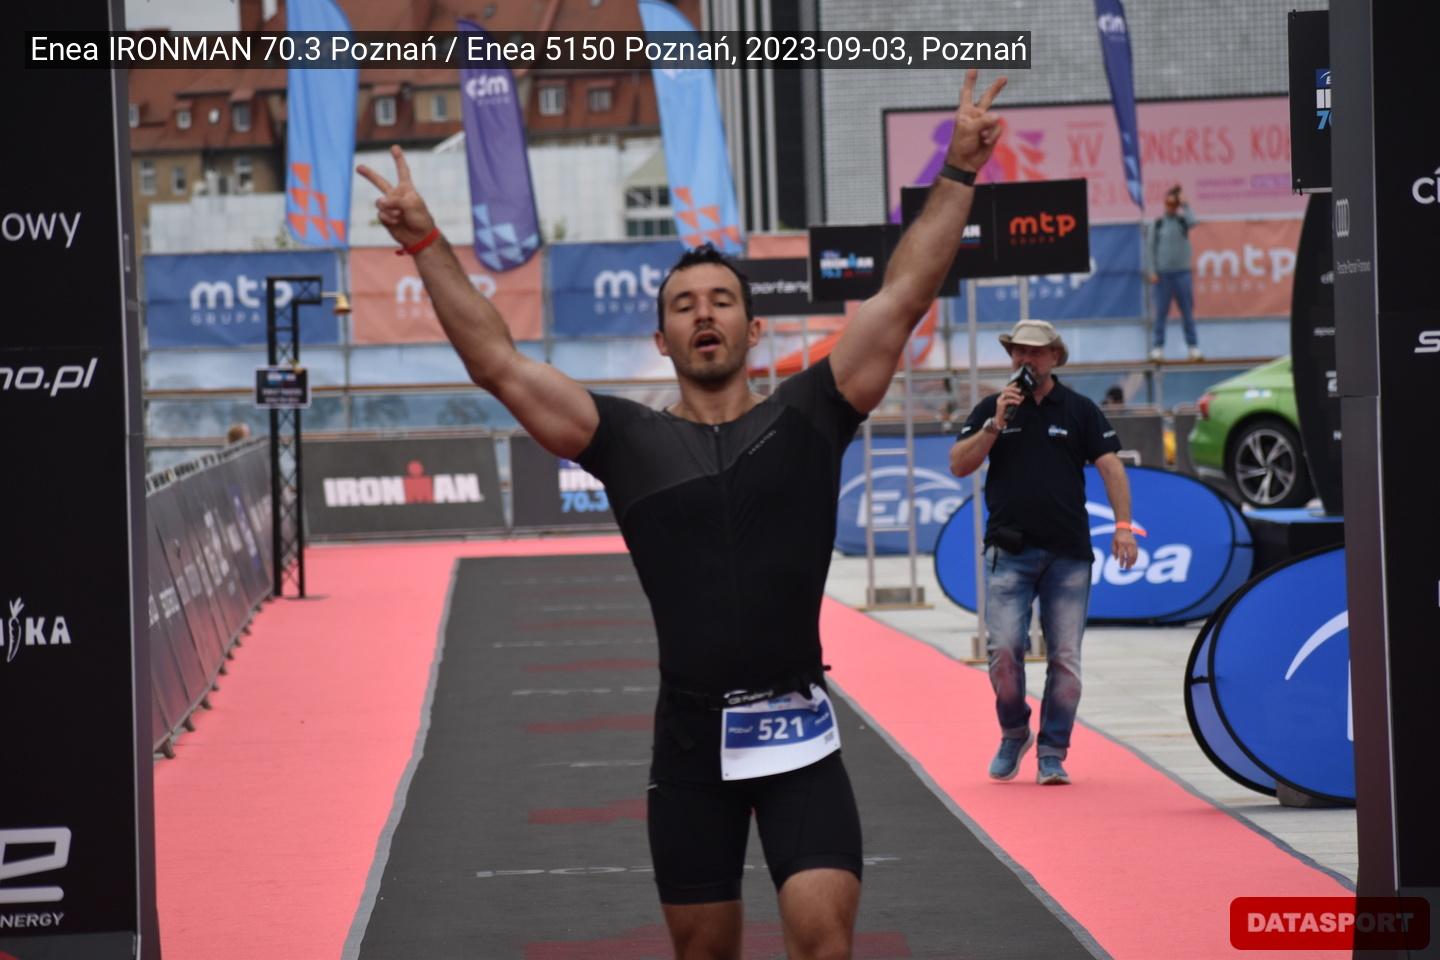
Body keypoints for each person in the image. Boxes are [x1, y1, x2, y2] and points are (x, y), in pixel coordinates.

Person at [360, 70, 1006, 960]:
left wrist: (960, 170)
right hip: (689, 744)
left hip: (797, 733)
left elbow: (903, 296)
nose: (705, 314)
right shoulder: (625, 440)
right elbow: (499, 364)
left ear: (754, 329)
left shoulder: (811, 414)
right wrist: (426, 240)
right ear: (661, 340)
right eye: (684, 305)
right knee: (704, 954)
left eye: (722, 301)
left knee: (823, 942)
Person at [948, 319, 1138, 786]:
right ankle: (1014, 731)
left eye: (1034, 352)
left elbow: (1111, 467)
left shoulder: (1079, 409)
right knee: (1003, 652)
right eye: (1018, 351)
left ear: (1054, 356)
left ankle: (1053, 751)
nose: (1025, 360)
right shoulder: (993, 407)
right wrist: (995, 424)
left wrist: (1123, 527)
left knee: (1066, 659)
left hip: (1067, 553)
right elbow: (959, 464)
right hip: (1008, 552)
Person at [1145, 185, 1202, 362]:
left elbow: (1194, 221)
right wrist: (1152, 271)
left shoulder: (1183, 221)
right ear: (1164, 204)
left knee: (1187, 312)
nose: (1171, 207)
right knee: (1160, 313)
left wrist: (1185, 203)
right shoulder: (1158, 224)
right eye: (1168, 203)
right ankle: (1158, 348)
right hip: (1163, 276)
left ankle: (1193, 347)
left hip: (1182, 274)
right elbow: (1150, 249)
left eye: (1174, 204)